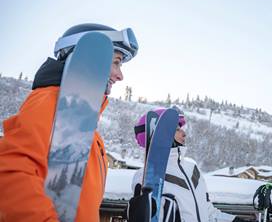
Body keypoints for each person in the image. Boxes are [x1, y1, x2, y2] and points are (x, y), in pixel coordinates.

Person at [0, 23, 138, 221]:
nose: (120, 76)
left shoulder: (85, 125)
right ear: (90, 58)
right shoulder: (51, 102)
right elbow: (10, 173)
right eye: (116, 62)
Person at [126, 107, 245, 222]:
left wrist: (236, 220)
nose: (184, 133)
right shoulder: (145, 175)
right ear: (160, 133)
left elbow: (208, 213)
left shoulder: (192, 169)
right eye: (177, 129)